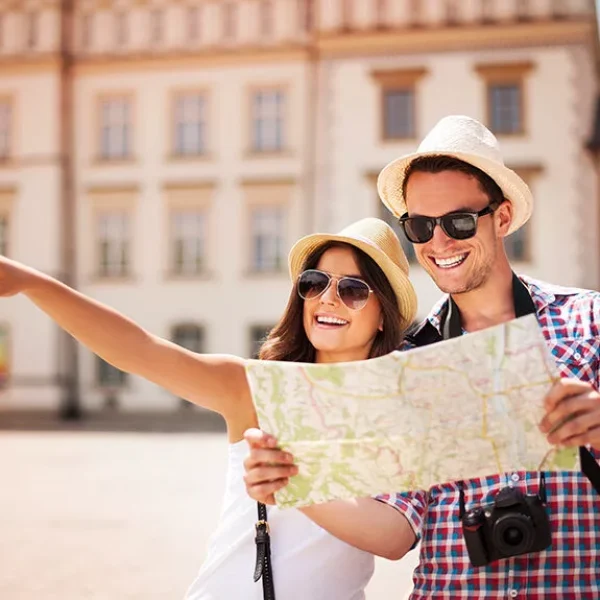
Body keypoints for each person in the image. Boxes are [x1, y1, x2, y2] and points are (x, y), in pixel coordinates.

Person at [243, 116, 600, 598]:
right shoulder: (407, 364)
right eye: (419, 226)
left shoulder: (590, 321)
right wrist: (290, 481)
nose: (439, 242)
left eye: (458, 221)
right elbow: (394, 532)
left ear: (502, 217)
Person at [0, 217, 418, 599]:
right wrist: (34, 284)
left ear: (384, 315)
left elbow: (394, 538)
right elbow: (137, 350)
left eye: (352, 290)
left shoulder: (397, 410)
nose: (328, 299)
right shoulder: (256, 388)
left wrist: (291, 484)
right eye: (315, 282)